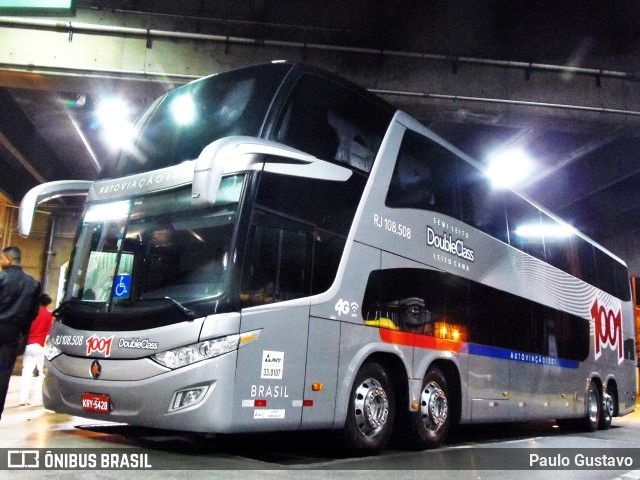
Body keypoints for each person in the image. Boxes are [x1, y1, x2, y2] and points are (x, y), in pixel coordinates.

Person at [0, 246, 40, 420]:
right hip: (11, 335)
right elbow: (33, 314)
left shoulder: (1, 277)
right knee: (3, 372)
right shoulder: (33, 284)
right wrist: (23, 335)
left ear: (7, 258)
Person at [20, 293, 53, 405]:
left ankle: (23, 399)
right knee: (43, 374)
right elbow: (50, 331)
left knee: (26, 373)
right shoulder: (50, 315)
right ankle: (42, 398)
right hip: (41, 346)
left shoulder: (31, 314)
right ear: (48, 303)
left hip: (29, 345)